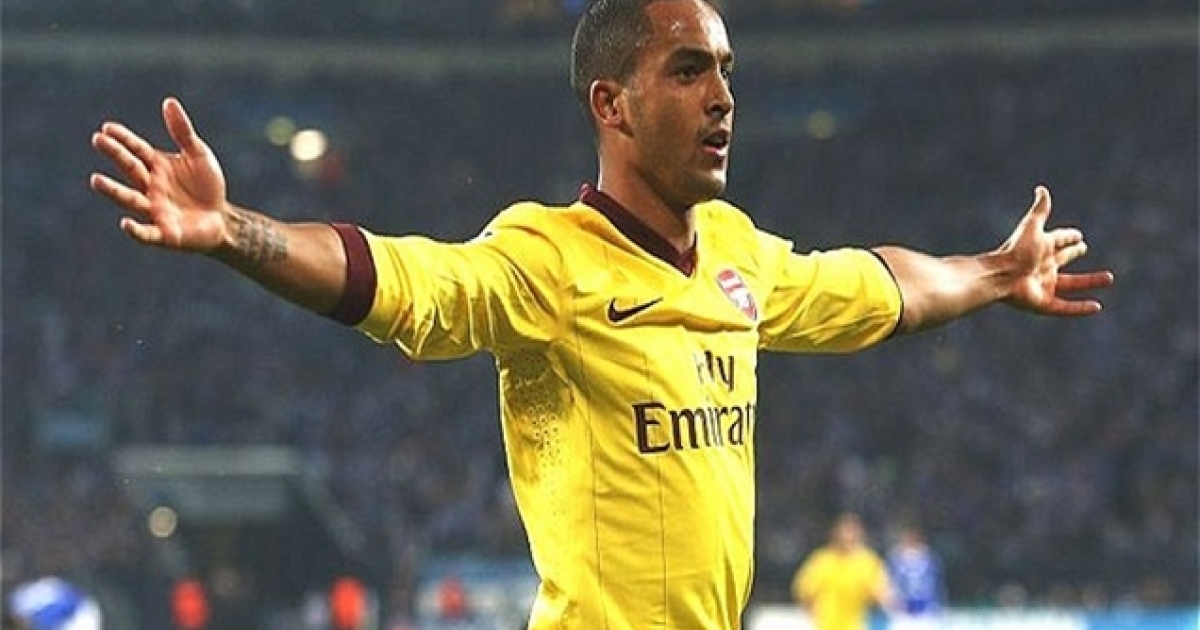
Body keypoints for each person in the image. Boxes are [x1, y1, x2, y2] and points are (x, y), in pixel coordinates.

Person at [87, 1, 1113, 628]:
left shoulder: (739, 256)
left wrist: (997, 270)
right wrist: (234, 231)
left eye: (726, 71)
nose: (722, 97)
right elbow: (402, 280)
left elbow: (886, 286)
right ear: (610, 104)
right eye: (688, 69)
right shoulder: (549, 258)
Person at [792, 513, 893, 630]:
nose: (847, 538)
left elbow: (883, 594)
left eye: (852, 534)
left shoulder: (868, 562)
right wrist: (812, 610)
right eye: (844, 533)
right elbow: (803, 590)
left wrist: (877, 597)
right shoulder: (822, 561)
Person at [885, 524, 947, 628]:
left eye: (913, 538)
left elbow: (937, 584)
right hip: (903, 611)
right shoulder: (895, 559)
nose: (910, 540)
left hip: (926, 610)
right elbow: (890, 583)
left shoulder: (929, 558)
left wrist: (939, 607)